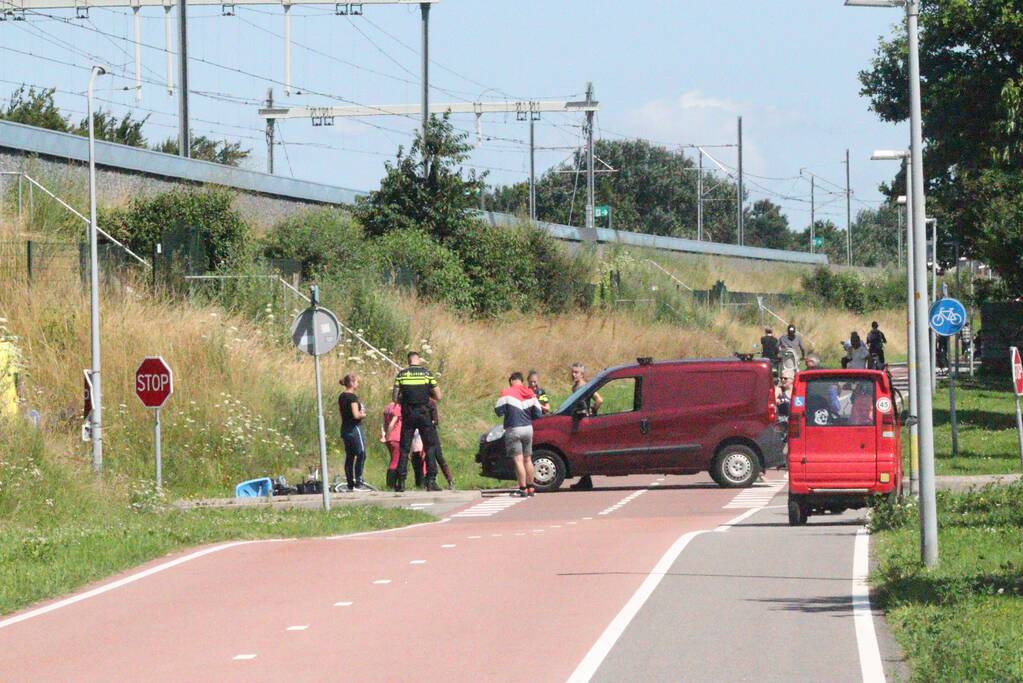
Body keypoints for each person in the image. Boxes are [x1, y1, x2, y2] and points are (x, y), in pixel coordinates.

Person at [393, 351, 442, 492]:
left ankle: (401, 482)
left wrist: (405, 399)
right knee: (430, 446)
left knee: (404, 448)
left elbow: (395, 398)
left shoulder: (402, 375)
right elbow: (438, 396)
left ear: (408, 361)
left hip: (408, 414)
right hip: (424, 413)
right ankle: (431, 481)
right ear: (418, 359)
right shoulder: (427, 374)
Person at [495, 372, 543, 497]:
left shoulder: (506, 392)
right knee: (528, 459)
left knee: (518, 460)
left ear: (511, 381)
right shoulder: (530, 393)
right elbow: (538, 413)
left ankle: (522, 488)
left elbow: (498, 411)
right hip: (528, 428)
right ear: (521, 381)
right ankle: (531, 487)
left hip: (514, 429)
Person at [569, 363, 601, 490]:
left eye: (576, 372)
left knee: (583, 449)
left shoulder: (584, 386)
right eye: (572, 372)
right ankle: (585, 479)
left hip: (583, 420)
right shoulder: (575, 387)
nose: (573, 374)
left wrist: (592, 411)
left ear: (582, 374)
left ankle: (586, 479)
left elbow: (599, 399)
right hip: (577, 420)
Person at [338, 374, 368, 492]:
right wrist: (363, 414)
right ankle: (358, 481)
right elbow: (356, 415)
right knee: (361, 453)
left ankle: (350, 482)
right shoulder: (352, 397)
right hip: (355, 428)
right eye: (357, 382)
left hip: (345, 428)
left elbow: (341, 411)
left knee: (350, 456)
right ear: (352, 383)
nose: (358, 384)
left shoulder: (341, 396)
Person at [428, 398, 456, 490]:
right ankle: (430, 481)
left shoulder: (430, 403)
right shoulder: (429, 403)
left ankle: (449, 480)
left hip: (430, 433)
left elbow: (435, 420)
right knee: (433, 457)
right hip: (424, 433)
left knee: (438, 456)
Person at [380, 400, 402, 490]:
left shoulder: (387, 407)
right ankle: (391, 484)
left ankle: (391, 483)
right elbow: (391, 424)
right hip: (396, 437)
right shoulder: (397, 407)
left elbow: (384, 423)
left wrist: (384, 435)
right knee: (395, 461)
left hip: (389, 438)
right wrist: (388, 435)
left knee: (393, 459)